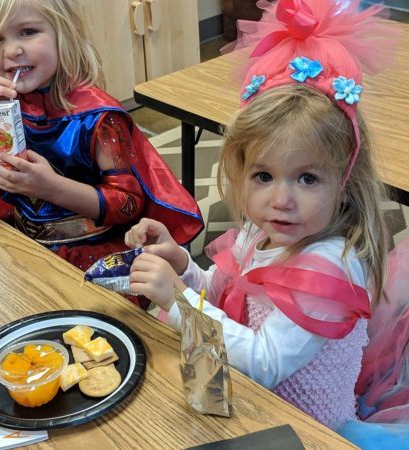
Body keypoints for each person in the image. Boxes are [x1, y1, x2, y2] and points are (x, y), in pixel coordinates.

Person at [126, 0, 408, 445]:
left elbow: (264, 360)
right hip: (255, 406)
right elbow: (221, 295)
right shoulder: (264, 232)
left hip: (306, 433)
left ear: (344, 181)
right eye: (263, 175)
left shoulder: (328, 270)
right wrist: (182, 267)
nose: (281, 200)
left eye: (307, 178)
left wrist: (178, 301)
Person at [0, 0, 203, 309]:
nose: (11, 50)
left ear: (62, 35)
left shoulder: (96, 118)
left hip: (92, 260)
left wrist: (49, 187)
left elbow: (129, 204)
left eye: (27, 32)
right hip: (23, 249)